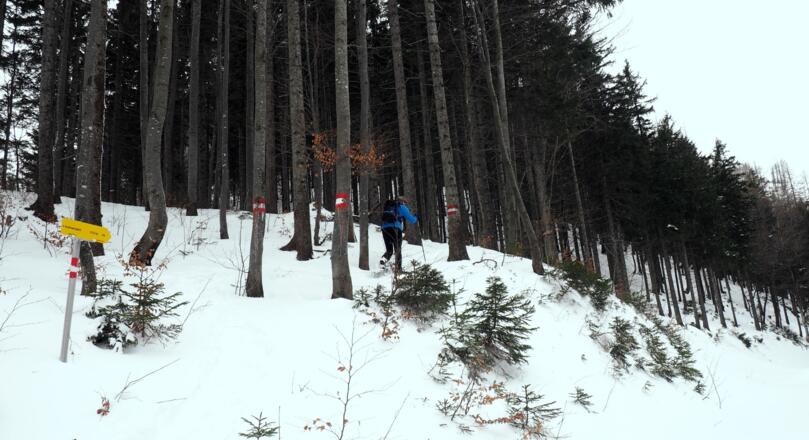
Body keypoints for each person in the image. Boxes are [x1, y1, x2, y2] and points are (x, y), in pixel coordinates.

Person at [379, 196, 418, 271]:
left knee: (389, 250)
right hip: (395, 229)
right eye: (405, 202)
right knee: (398, 250)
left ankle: (383, 261)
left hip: (385, 229)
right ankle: (398, 270)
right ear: (403, 201)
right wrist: (416, 217)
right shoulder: (402, 207)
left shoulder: (388, 206)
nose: (405, 204)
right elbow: (412, 220)